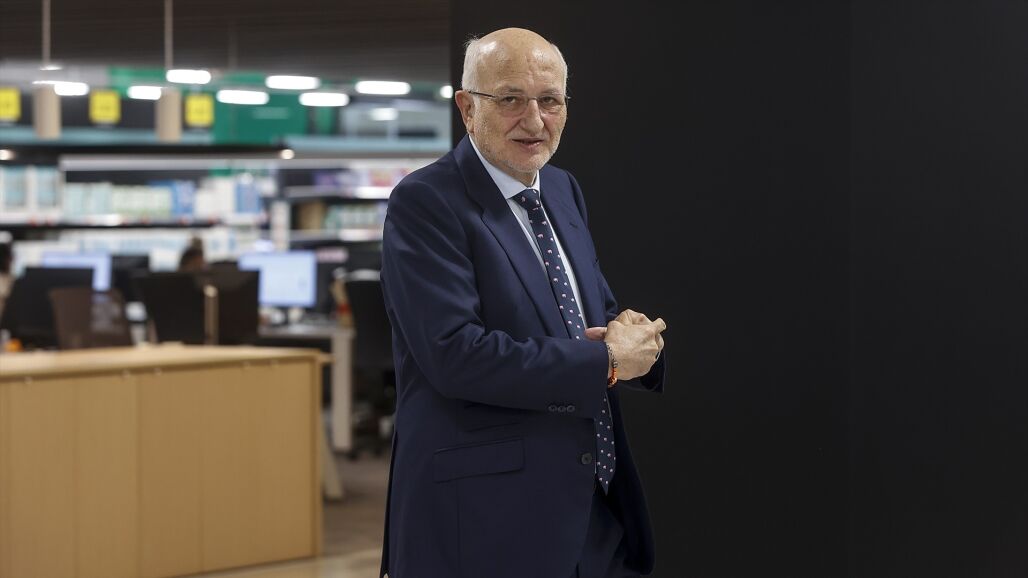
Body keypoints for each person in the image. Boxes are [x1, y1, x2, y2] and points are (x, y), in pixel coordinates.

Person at [379, 28, 668, 578]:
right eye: (510, 98)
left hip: (590, 510)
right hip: (486, 521)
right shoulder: (425, 201)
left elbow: (590, 316)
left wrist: (631, 336)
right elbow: (455, 354)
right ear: (467, 108)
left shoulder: (560, 188)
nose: (534, 120)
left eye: (549, 100)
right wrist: (607, 360)